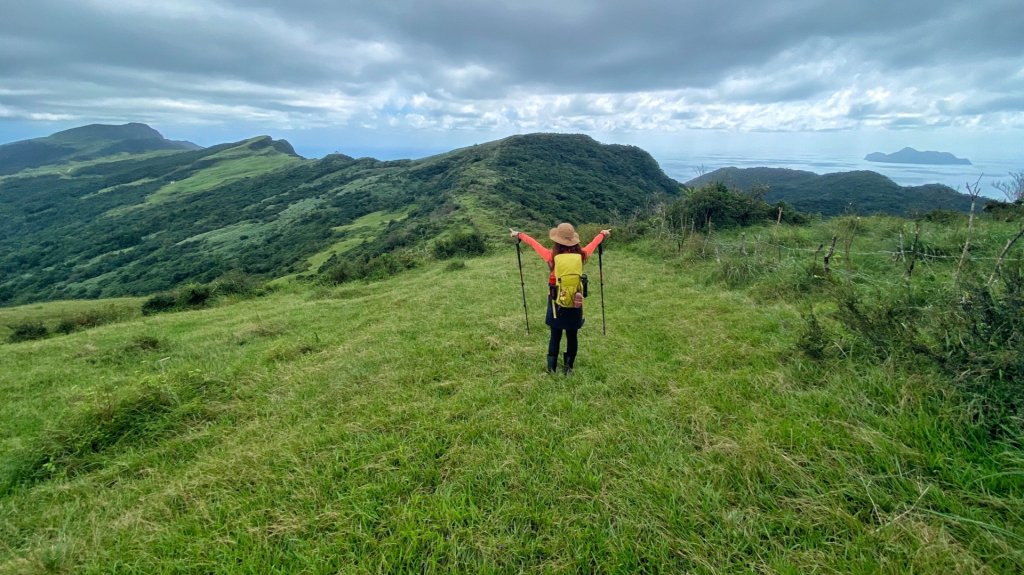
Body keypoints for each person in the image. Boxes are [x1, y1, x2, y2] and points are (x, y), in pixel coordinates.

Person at [510, 223, 610, 374]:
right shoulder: (582, 254)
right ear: (574, 241)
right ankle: (568, 368)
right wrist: (602, 234)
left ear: (557, 241)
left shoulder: (551, 256)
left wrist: (519, 235)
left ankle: (551, 369)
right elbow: (593, 244)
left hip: (555, 300)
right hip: (575, 300)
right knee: (572, 335)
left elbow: (534, 244)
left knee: (555, 335)